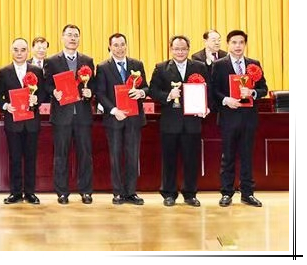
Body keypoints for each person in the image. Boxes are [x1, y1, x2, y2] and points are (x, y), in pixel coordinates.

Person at [148, 35, 210, 207]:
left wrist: (206, 107)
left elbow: (208, 90)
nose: (180, 52)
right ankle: (169, 193)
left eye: (183, 49)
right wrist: (168, 95)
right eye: (176, 49)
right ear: (171, 49)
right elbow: (153, 91)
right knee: (169, 160)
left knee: (191, 160)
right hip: (170, 123)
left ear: (188, 49)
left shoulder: (199, 67)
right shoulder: (161, 68)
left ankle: (190, 194)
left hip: (192, 122)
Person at [210, 30, 268, 207]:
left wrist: (252, 92)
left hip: (249, 119)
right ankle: (226, 193)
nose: (237, 46)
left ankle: (247, 193)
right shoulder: (219, 65)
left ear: (245, 44)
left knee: (247, 157)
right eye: (234, 42)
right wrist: (226, 100)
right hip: (228, 118)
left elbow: (264, 89)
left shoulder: (254, 64)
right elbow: (213, 91)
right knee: (227, 157)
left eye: (241, 42)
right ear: (228, 44)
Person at [44, 24, 96, 205]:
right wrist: (54, 92)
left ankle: (86, 191)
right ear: (62, 37)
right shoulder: (52, 61)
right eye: (69, 35)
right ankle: (62, 192)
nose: (72, 38)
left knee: (85, 155)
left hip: (82, 115)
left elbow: (93, 84)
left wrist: (90, 92)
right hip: (62, 115)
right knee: (61, 155)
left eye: (76, 35)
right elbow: (47, 84)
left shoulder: (87, 60)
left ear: (79, 38)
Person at [94, 32, 148, 206]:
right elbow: (100, 93)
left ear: (126, 45)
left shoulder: (137, 64)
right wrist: (113, 110)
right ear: (110, 47)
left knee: (133, 156)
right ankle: (118, 192)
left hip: (134, 118)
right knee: (115, 156)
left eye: (122, 44)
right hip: (114, 118)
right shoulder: (103, 67)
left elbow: (146, 87)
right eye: (115, 45)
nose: (119, 48)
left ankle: (131, 192)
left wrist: (141, 93)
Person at [0, 38, 46, 204]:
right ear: (11, 51)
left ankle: (30, 192)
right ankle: (15, 192)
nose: (19, 53)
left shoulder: (37, 71)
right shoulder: (4, 71)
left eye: (23, 50)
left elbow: (43, 93)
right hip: (13, 122)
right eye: (16, 50)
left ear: (28, 52)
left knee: (31, 158)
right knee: (15, 158)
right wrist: (5, 106)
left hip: (31, 122)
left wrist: (37, 100)